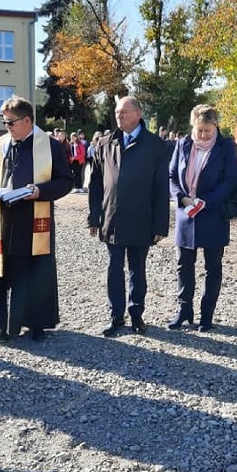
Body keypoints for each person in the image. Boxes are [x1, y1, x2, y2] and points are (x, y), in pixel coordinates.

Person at [0, 96, 72, 341]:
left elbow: (65, 181)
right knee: (2, 272)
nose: (6, 127)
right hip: (4, 221)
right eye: (5, 122)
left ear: (27, 120)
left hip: (33, 221)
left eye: (10, 122)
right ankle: (2, 325)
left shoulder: (49, 146)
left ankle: (35, 323)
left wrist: (40, 191)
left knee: (33, 273)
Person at [88, 96, 170, 337]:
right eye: (116, 112)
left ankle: (136, 314)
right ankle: (116, 315)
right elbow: (95, 185)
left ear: (138, 113)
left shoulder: (155, 146)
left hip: (141, 219)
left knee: (137, 269)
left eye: (124, 112)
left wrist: (160, 225)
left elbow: (161, 188)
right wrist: (93, 217)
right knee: (114, 269)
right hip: (111, 219)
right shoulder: (106, 143)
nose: (119, 116)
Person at [168, 105, 237, 332]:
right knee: (184, 265)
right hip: (186, 214)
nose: (203, 135)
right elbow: (171, 175)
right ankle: (184, 310)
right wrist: (181, 197)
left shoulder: (226, 147)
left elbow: (231, 180)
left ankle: (207, 314)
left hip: (213, 213)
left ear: (215, 126)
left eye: (207, 131)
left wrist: (206, 201)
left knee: (213, 266)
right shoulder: (182, 144)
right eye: (199, 130)